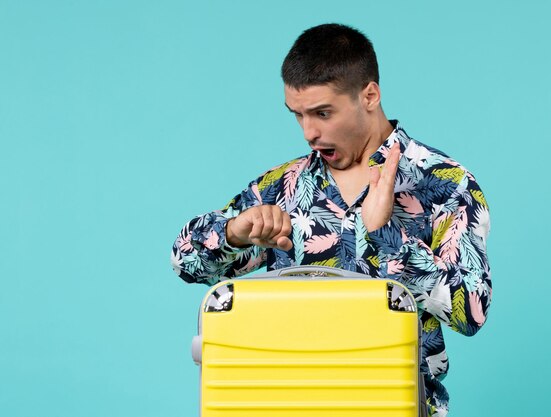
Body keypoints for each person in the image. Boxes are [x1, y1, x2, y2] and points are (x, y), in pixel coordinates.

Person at [171, 23, 491, 417]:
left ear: (369, 95)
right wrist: (233, 234)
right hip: (287, 406)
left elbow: (471, 309)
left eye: (322, 113)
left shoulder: (445, 183)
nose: (309, 132)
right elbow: (185, 262)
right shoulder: (283, 188)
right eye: (298, 115)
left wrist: (384, 233)